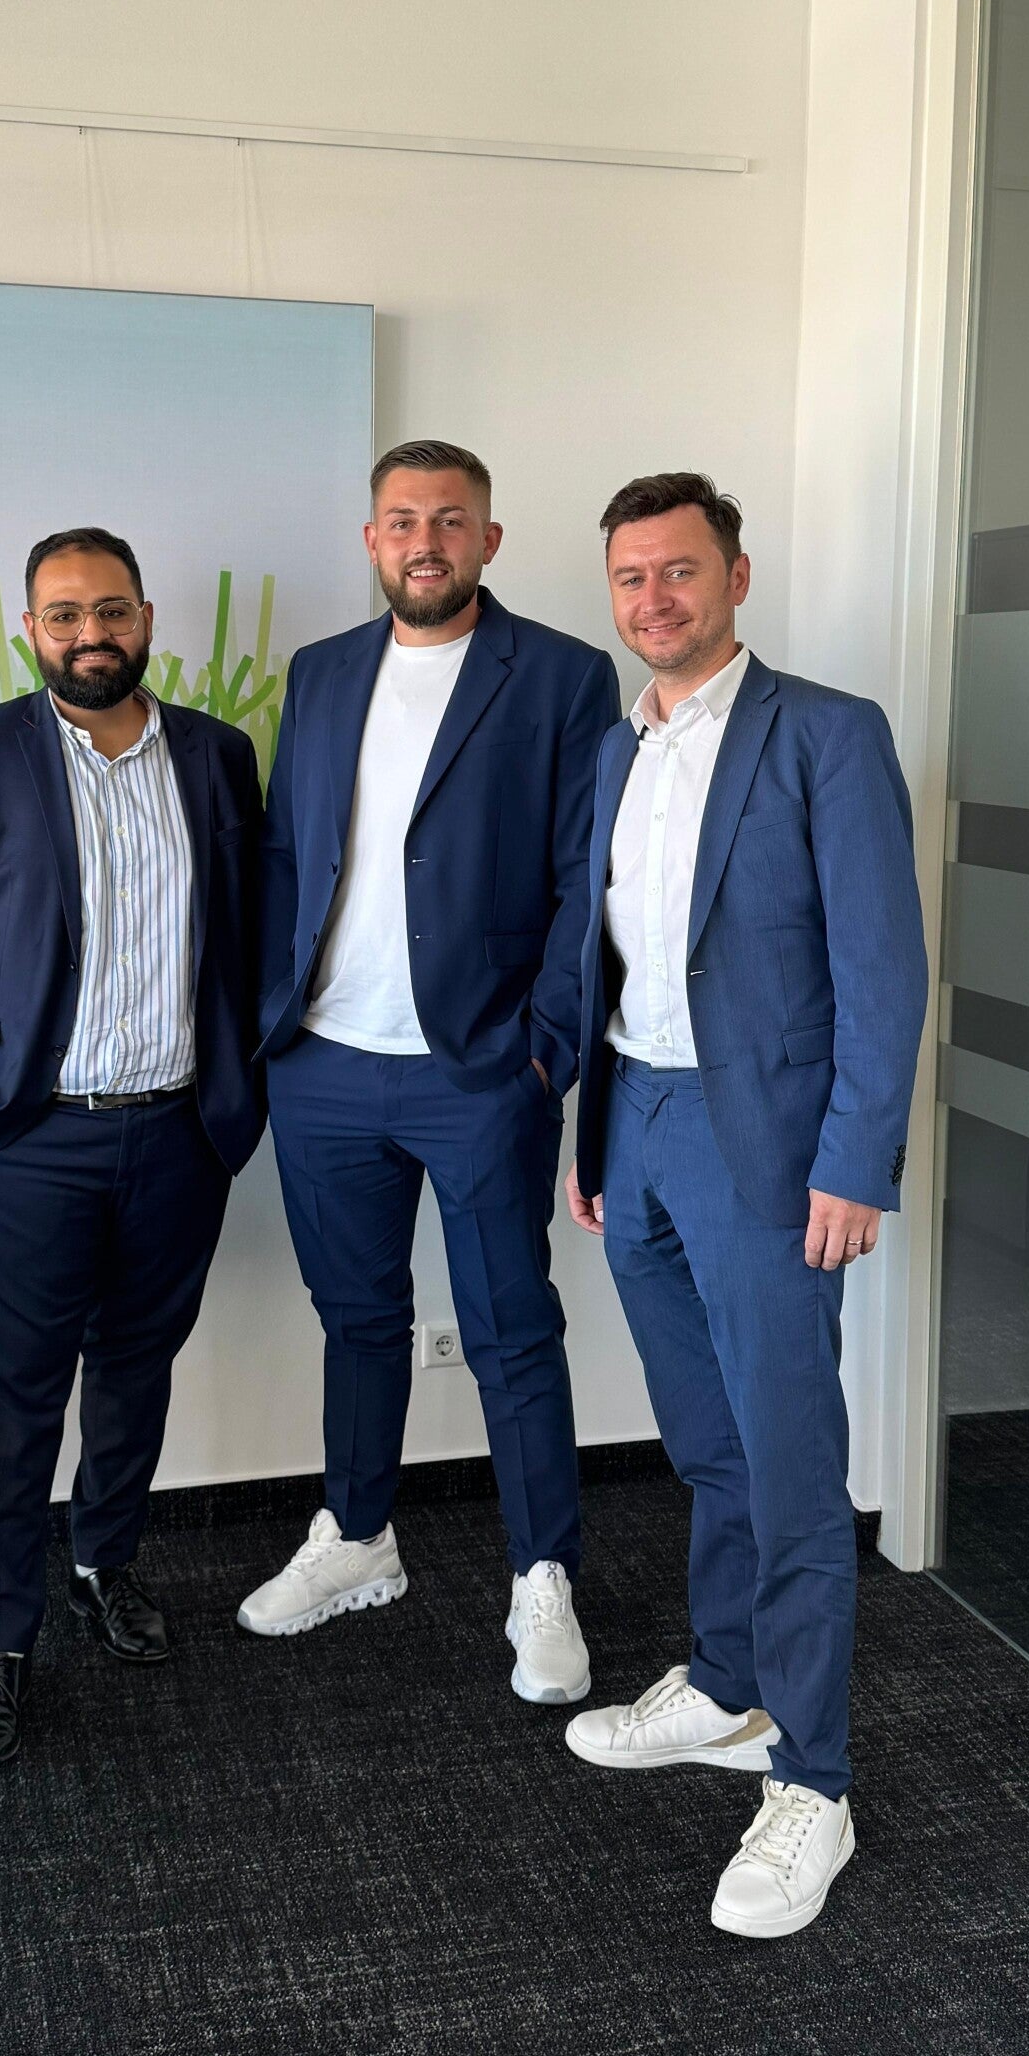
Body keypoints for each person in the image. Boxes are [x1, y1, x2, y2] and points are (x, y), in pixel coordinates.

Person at [563, 472, 925, 1936]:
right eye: (631, 576)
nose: (655, 598)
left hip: (767, 1147)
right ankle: (728, 1685)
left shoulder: (826, 733)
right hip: (639, 1124)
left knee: (789, 1462)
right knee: (707, 1443)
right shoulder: (619, 745)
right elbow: (613, 961)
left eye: (680, 570)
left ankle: (814, 1778)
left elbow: (883, 963)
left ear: (736, 577)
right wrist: (596, 1140)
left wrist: (856, 1159)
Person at [238, 440, 621, 1700]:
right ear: (372, 540)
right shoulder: (322, 670)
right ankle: (358, 1535)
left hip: (481, 1070)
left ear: (488, 540)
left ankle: (543, 1574)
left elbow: (584, 881)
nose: (425, 541)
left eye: (450, 520)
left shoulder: (561, 674)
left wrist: (545, 1050)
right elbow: (290, 854)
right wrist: (273, 1018)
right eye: (402, 520)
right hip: (325, 1065)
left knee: (511, 1327)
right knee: (357, 1319)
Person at [0, 527, 264, 1769]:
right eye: (64, 615)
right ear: (30, 630)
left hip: (178, 1131)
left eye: (110, 611)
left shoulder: (216, 754)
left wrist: (241, 1092)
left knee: (137, 1368)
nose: (90, 634)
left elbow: (248, 934)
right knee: (11, 1399)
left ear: (145, 617)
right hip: (19, 1140)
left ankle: (105, 1559)